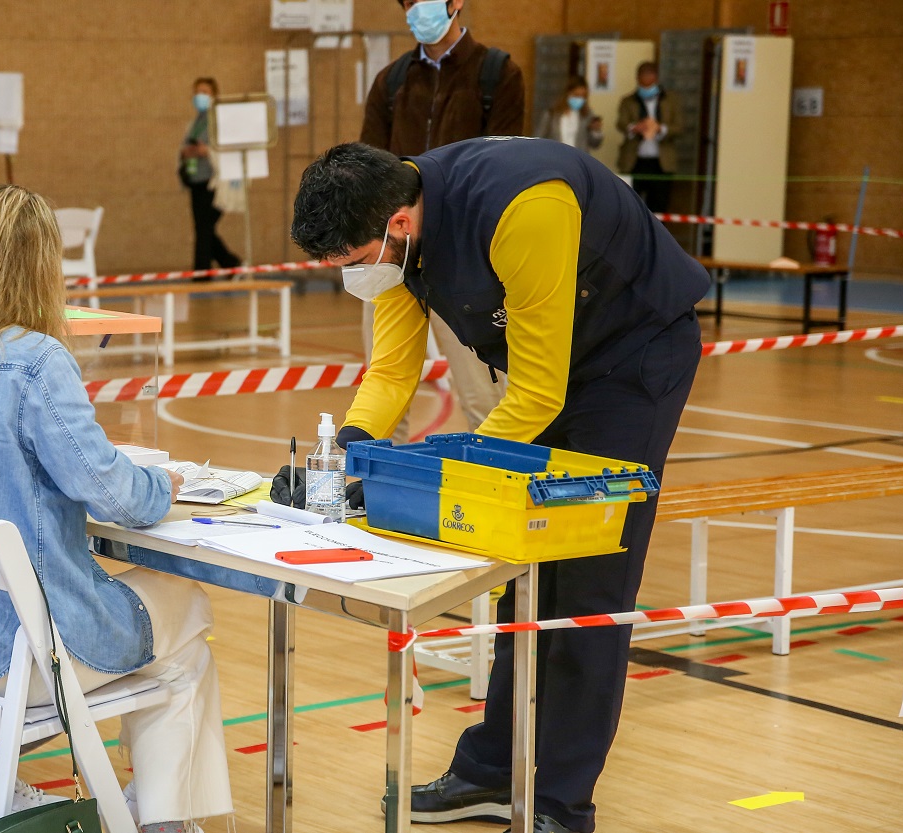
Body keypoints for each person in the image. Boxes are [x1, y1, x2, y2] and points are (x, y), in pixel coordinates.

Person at [290, 138, 709, 833]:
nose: (354, 278)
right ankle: (491, 770)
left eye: (355, 263)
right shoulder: (400, 233)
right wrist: (350, 449)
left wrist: (443, 468)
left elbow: (539, 391)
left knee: (590, 583)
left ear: (397, 223)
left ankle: (560, 799)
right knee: (523, 567)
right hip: (553, 366)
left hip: (632, 360)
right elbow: (392, 372)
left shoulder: (522, 206)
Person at [0, 184, 234, 833]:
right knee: (187, 616)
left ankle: (145, 811)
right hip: (24, 648)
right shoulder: (35, 361)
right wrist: (169, 482)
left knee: (167, 624)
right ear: (41, 265)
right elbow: (116, 497)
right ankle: (161, 817)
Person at [359, 0, 525, 442]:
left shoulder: (497, 73)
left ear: (455, 3)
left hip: (467, 260)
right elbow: (368, 170)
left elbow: (505, 168)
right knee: (385, 388)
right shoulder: (391, 81)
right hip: (396, 253)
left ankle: (492, 484)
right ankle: (376, 490)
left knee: (483, 395)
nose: (415, 9)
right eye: (407, 2)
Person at [179, 76, 241, 275]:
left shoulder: (219, 120)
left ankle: (202, 272)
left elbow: (226, 149)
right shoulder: (196, 121)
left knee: (205, 228)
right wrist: (187, 151)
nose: (200, 96)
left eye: (205, 92)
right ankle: (230, 264)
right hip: (196, 179)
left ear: (214, 95)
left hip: (212, 182)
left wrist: (207, 151)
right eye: (197, 92)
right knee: (203, 228)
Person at [617, 61, 682, 214]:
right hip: (635, 162)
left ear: (656, 79)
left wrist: (660, 128)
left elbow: (679, 126)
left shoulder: (670, 100)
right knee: (631, 208)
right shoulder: (628, 101)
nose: (646, 88)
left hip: (662, 163)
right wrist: (635, 127)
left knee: (659, 207)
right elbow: (621, 124)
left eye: (649, 84)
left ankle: (656, 238)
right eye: (642, 84)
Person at [534, 76, 603, 152]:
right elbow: (538, 139)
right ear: (568, 93)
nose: (580, 99)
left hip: (577, 160)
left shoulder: (587, 114)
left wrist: (596, 130)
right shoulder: (551, 114)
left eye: (583, 96)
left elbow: (595, 144)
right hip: (555, 158)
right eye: (576, 95)